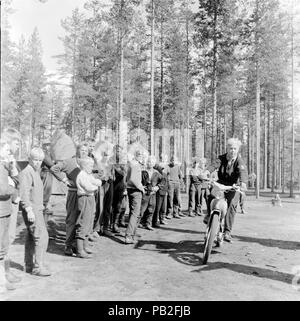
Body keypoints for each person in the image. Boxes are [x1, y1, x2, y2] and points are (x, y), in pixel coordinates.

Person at [204, 138, 248, 243]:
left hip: (234, 186)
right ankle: (209, 214)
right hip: (221, 183)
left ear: (238, 150)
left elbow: (243, 172)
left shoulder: (239, 161)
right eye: (230, 148)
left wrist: (243, 182)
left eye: (235, 149)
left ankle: (227, 231)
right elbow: (214, 165)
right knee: (210, 195)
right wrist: (206, 171)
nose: (232, 151)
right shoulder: (221, 158)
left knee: (232, 205)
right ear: (227, 148)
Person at [19, 147, 51, 276]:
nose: (38, 162)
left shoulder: (35, 171)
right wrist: (29, 210)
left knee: (32, 237)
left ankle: (29, 265)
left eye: (40, 160)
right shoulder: (27, 172)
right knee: (42, 237)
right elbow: (24, 193)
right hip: (32, 210)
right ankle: (38, 267)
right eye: (35, 160)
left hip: (37, 208)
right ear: (29, 159)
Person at [0, 142, 21, 292]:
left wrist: (12, 167)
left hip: (6, 208)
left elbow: (18, 180)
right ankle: (2, 281)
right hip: (2, 209)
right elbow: (2, 189)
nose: (10, 153)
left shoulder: (6, 165)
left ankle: (4, 275)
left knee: (5, 243)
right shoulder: (1, 167)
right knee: (1, 246)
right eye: (7, 150)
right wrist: (13, 190)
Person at [75, 157, 102, 258]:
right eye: (90, 166)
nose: (92, 167)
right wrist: (95, 187)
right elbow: (89, 187)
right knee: (83, 222)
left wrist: (96, 184)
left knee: (89, 221)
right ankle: (79, 250)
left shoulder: (87, 174)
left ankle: (85, 246)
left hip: (90, 198)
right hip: (84, 198)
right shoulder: (81, 175)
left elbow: (96, 181)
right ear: (84, 166)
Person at [124, 150, 145, 244]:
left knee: (133, 213)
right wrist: (141, 188)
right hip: (135, 190)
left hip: (130, 189)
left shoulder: (130, 164)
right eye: (140, 155)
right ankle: (129, 235)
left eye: (142, 155)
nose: (141, 157)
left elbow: (127, 178)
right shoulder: (135, 165)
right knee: (134, 214)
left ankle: (132, 234)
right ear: (136, 156)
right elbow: (133, 179)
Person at [140, 155, 161, 230]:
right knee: (142, 209)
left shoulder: (156, 172)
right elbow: (139, 180)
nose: (150, 163)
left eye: (152, 162)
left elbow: (163, 181)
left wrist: (158, 187)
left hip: (153, 194)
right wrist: (141, 187)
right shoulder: (142, 171)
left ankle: (148, 224)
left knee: (151, 208)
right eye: (149, 161)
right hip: (144, 194)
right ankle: (139, 223)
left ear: (154, 163)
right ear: (147, 162)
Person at [40, 142, 55, 221]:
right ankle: (43, 210)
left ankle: (45, 208)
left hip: (49, 174)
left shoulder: (49, 154)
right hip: (45, 174)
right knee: (45, 193)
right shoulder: (44, 154)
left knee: (47, 193)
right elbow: (51, 164)